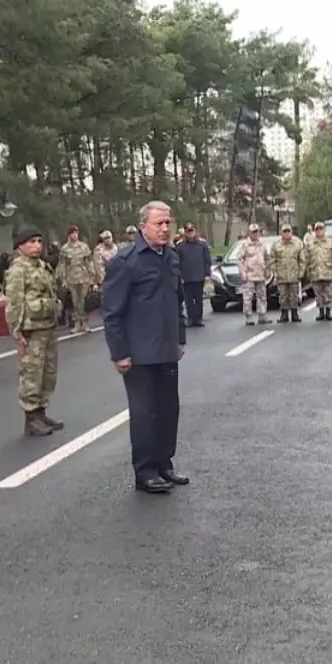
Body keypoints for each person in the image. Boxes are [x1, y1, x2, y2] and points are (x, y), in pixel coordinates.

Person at [102, 200, 189, 494]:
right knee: (144, 413)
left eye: (168, 223)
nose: (165, 229)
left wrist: (179, 338)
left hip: (166, 349)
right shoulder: (125, 262)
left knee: (168, 410)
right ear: (144, 226)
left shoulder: (171, 257)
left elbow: (176, 302)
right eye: (159, 224)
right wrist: (119, 353)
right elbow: (112, 312)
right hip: (138, 354)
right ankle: (145, 471)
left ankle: (164, 463)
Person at [4, 228, 64, 437]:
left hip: (47, 326)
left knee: (47, 373)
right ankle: (31, 418)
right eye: (31, 242)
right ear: (21, 245)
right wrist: (17, 333)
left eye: (39, 241)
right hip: (31, 330)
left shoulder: (43, 266)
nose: (37, 245)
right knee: (31, 374)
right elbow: (14, 303)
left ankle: (41, 412)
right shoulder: (18, 270)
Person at [58, 225, 99, 334]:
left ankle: (85, 323)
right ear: (69, 235)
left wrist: (92, 278)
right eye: (72, 233)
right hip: (71, 278)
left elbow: (89, 262)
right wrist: (63, 280)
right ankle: (77, 323)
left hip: (84, 277)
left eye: (76, 233)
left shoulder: (84, 247)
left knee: (84, 301)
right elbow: (62, 265)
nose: (74, 235)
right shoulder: (65, 249)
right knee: (75, 302)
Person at [176, 222, 213, 327]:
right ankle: (191, 318)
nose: (190, 233)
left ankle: (198, 319)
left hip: (199, 276)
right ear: (185, 233)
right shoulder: (180, 246)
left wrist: (207, 274)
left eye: (192, 230)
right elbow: (177, 262)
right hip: (186, 278)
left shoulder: (202, 244)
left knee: (199, 300)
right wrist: (179, 276)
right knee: (188, 300)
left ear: (195, 231)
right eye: (188, 231)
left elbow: (207, 260)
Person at [269, 223, 306, 323]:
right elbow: (272, 260)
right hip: (281, 275)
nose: (286, 234)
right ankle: (284, 314)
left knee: (293, 295)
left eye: (288, 232)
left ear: (291, 232)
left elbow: (302, 260)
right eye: (284, 232)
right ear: (282, 233)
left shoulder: (297, 244)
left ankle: (294, 314)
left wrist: (301, 273)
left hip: (294, 275)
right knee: (283, 296)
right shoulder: (276, 245)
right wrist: (275, 272)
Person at [304, 221, 332, 321]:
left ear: (324, 230)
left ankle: (328, 311)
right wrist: (307, 271)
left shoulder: (331, 242)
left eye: (321, 229)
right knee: (318, 294)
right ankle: (321, 311)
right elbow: (306, 258)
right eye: (317, 229)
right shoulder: (310, 244)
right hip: (315, 272)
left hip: (328, 272)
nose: (319, 231)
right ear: (315, 231)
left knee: (328, 293)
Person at [238, 223, 271, 326]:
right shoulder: (245, 245)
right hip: (249, 276)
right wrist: (243, 272)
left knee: (262, 296)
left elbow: (267, 258)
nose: (256, 234)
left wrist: (267, 270)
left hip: (260, 275)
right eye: (253, 232)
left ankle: (262, 315)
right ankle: (249, 317)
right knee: (248, 297)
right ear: (249, 233)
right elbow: (240, 259)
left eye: (257, 231)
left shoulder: (262, 244)